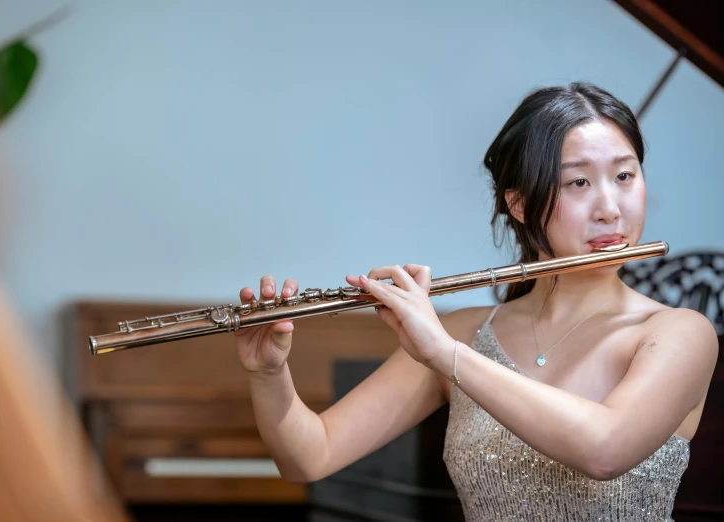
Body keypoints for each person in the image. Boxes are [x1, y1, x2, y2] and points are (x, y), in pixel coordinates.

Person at [232, 82, 718, 520]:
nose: (610, 209)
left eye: (625, 177)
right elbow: (310, 456)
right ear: (520, 204)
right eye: (579, 183)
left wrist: (445, 355)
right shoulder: (462, 332)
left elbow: (606, 449)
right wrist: (268, 373)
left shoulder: (677, 334)